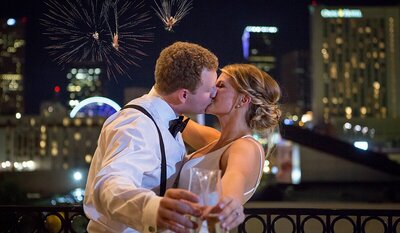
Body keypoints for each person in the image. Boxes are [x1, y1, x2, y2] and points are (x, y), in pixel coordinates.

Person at [84, 42, 243, 233]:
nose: (214, 94)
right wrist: (151, 208)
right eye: (210, 89)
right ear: (183, 95)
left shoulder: (167, 118)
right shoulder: (137, 124)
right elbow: (108, 186)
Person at [180, 63, 281, 232]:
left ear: (243, 99)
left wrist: (229, 203)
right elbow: (174, 118)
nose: (212, 91)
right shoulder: (217, 140)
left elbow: (236, 177)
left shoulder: (245, 148)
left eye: (220, 86)